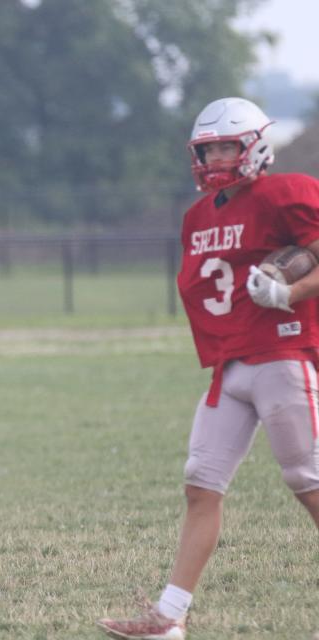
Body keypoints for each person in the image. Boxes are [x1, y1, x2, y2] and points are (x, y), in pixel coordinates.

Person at [97, 97, 319, 639]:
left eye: (228, 145)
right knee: (201, 484)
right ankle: (169, 617)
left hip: (282, 355)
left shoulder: (285, 191)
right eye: (209, 147)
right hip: (231, 365)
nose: (218, 155)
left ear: (255, 147)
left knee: (308, 481)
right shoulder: (197, 216)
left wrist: (288, 290)